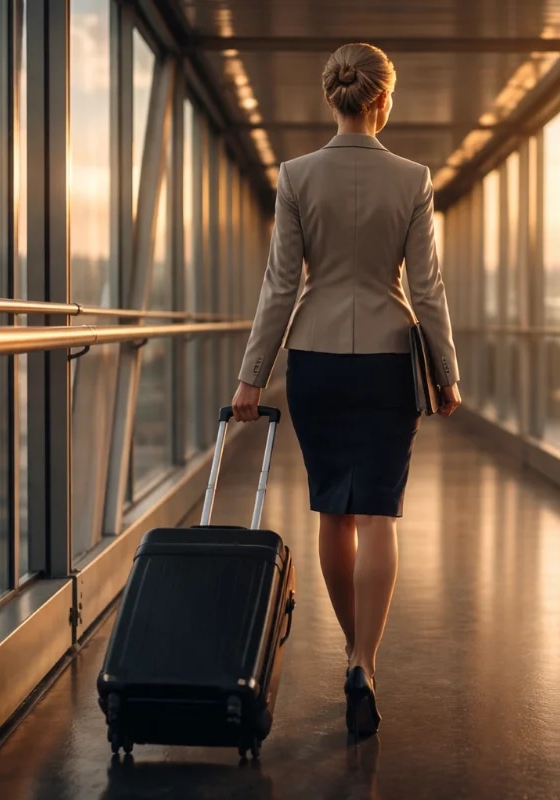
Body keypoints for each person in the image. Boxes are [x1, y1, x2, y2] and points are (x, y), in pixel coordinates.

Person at [230, 41, 462, 738]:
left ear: (334, 97)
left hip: (316, 360)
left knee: (335, 512)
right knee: (380, 515)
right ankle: (365, 661)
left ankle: (352, 649)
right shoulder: (413, 179)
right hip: (389, 360)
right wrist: (446, 371)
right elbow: (427, 287)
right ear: (382, 100)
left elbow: (280, 284)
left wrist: (251, 375)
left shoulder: (296, 176)